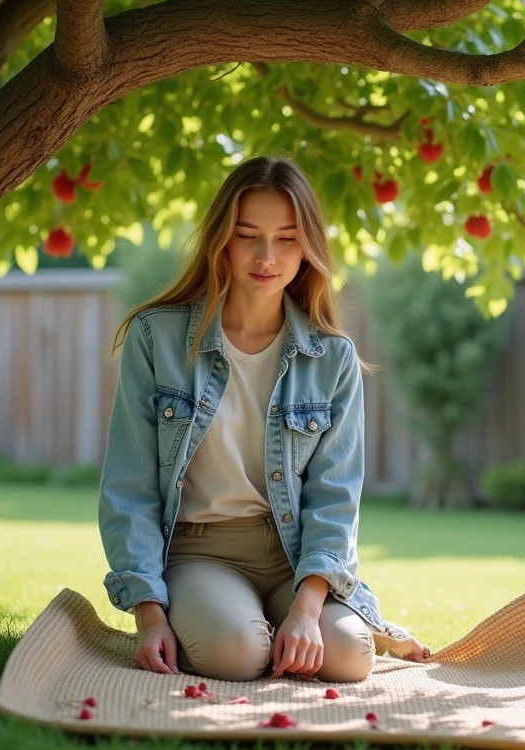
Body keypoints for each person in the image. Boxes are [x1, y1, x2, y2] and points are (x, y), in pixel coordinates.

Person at [98, 155, 429, 683]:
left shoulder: (333, 358)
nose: (267, 256)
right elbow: (129, 486)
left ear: (309, 247)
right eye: (248, 235)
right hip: (198, 550)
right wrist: (149, 613)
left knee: (348, 659)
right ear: (221, 240)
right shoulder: (154, 338)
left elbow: (335, 495)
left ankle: (354, 624)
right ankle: (239, 621)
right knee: (237, 654)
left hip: (293, 554)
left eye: (287, 238)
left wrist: (305, 609)